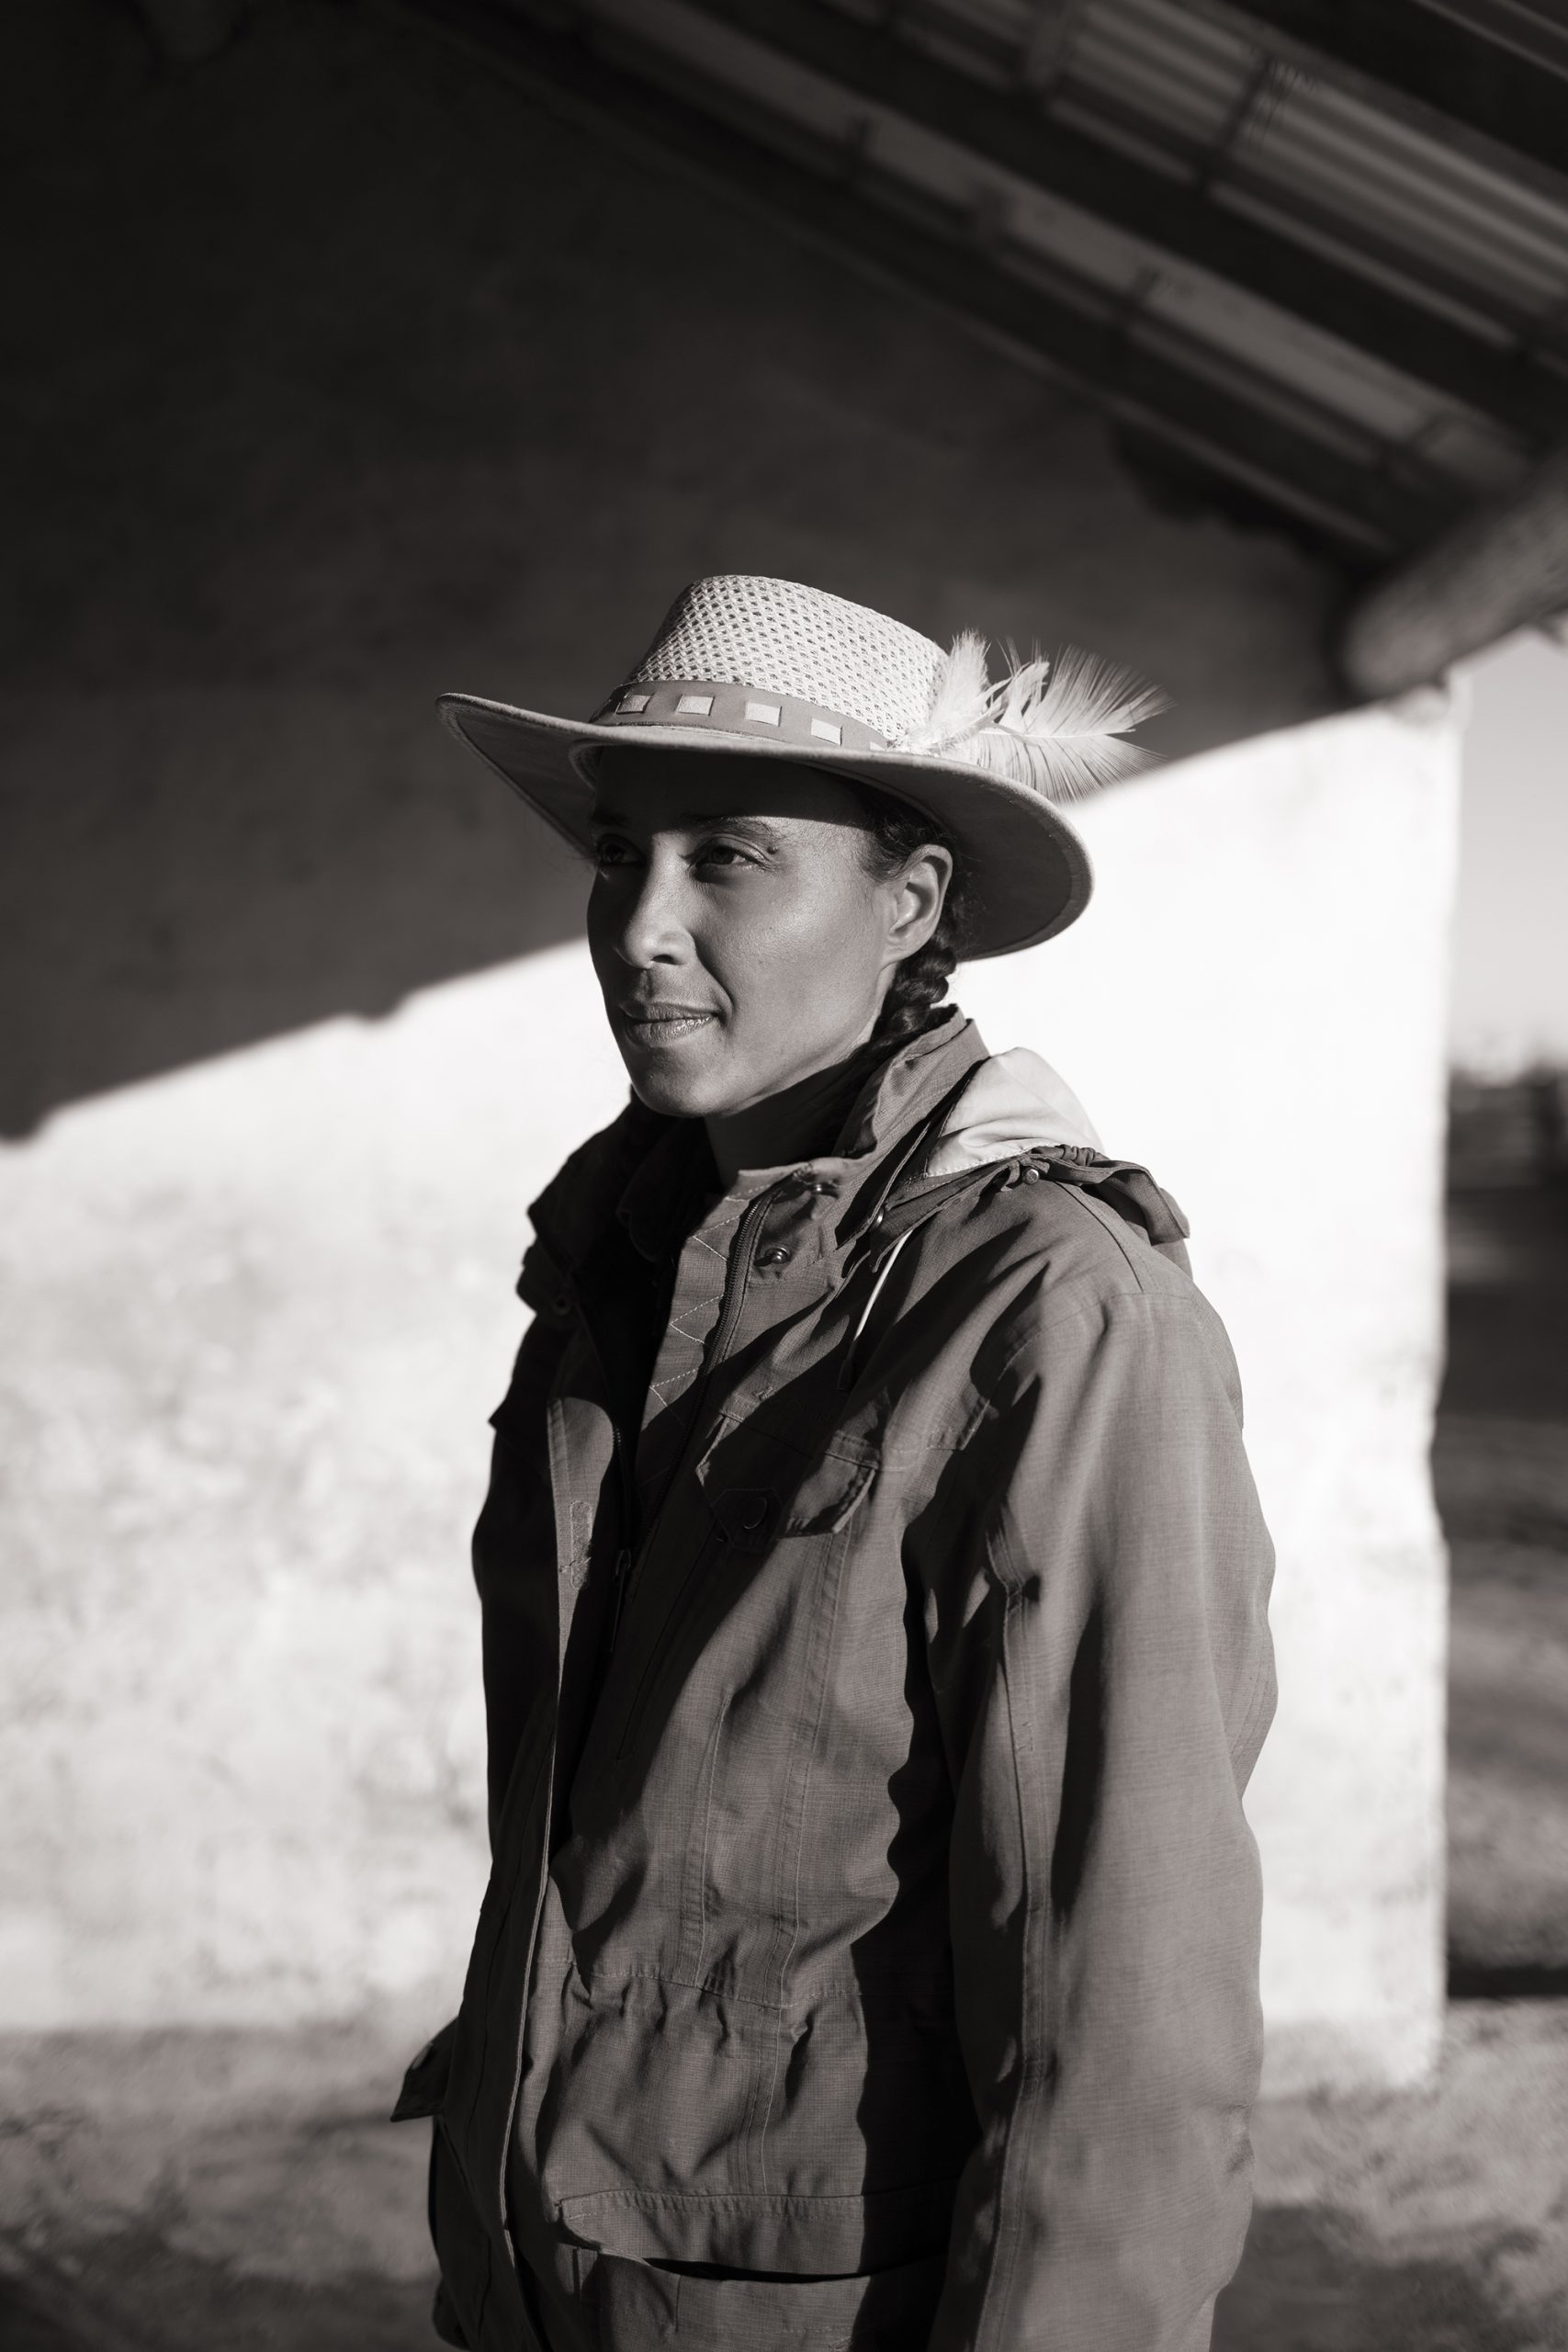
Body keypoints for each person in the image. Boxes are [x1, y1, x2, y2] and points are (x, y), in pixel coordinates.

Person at [392, 576, 1277, 2352]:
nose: (640, 926)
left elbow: (1125, 1999)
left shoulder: (1049, 1319)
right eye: (618, 852)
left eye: (727, 857)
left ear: (913, 902)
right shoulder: (611, 1277)